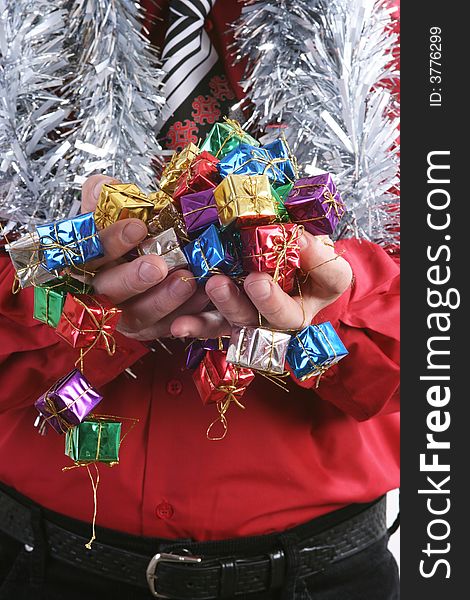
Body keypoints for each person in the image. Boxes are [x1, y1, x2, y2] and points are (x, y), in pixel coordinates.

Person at [0, 1, 400, 599]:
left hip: (323, 576)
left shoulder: (413, 33)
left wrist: (331, 314)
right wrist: (61, 295)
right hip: (42, 565)